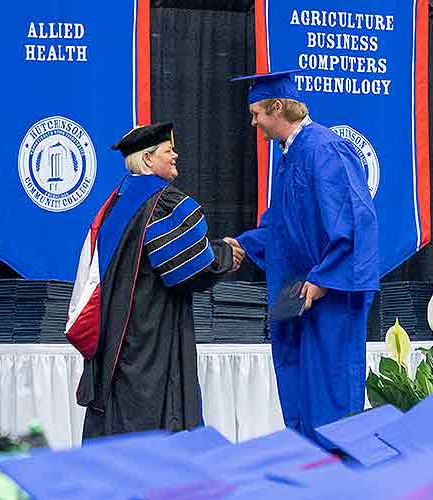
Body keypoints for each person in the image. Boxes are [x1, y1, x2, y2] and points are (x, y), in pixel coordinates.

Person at [228, 69, 383, 446]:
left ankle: (337, 473)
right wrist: (242, 245)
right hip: (299, 298)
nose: (253, 123)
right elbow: (282, 229)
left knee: (330, 398)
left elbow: (355, 221)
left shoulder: (324, 148)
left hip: (330, 299)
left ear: (277, 107)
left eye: (256, 114)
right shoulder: (291, 154)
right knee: (299, 391)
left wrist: (323, 278)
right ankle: (309, 467)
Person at [67, 122, 239, 437]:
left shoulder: (118, 201)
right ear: (147, 159)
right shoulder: (160, 203)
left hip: (118, 333)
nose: (175, 155)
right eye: (168, 150)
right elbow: (190, 269)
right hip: (150, 336)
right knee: (150, 419)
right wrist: (226, 255)